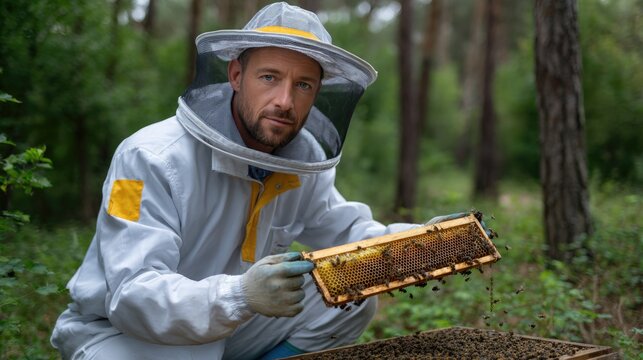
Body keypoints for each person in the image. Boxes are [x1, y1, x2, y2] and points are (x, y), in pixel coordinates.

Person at [51, 2, 455, 359]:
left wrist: (417, 243)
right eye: (269, 78)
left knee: (347, 297)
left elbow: (347, 231)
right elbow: (133, 297)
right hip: (122, 333)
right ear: (236, 74)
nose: (285, 101)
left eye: (303, 85)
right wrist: (241, 295)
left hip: (231, 323)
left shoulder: (304, 159)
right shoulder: (148, 158)